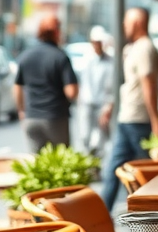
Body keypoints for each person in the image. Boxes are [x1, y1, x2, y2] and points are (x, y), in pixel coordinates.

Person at [100, 7, 158, 211]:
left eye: (126, 22)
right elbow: (129, 85)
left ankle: (152, 214)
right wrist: (111, 105)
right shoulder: (135, 48)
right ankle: (101, 214)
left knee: (142, 173)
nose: (124, 27)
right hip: (128, 117)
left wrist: (155, 121)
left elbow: (149, 86)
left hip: (139, 120)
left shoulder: (145, 48)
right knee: (115, 169)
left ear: (137, 23)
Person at [14, 14, 78, 152]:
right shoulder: (60, 57)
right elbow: (71, 92)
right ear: (57, 32)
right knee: (60, 164)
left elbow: (17, 87)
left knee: (37, 164)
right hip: (55, 118)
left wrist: (21, 110)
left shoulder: (26, 56)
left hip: (31, 119)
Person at [77, 25, 114, 157]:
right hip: (86, 103)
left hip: (102, 104)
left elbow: (112, 87)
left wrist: (109, 106)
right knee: (85, 135)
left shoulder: (110, 61)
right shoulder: (86, 59)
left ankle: (98, 164)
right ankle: (89, 161)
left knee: (101, 137)